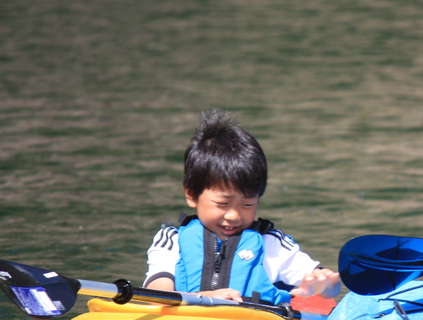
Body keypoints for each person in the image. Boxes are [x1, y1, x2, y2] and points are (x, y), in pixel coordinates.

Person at [144, 108, 340, 304]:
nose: (233, 215)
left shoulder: (273, 244)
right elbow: (157, 293)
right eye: (222, 203)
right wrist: (202, 298)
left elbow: (330, 287)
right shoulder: (172, 240)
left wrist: (323, 285)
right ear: (191, 194)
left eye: (247, 204)